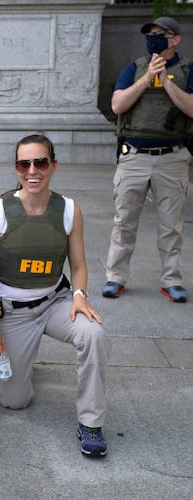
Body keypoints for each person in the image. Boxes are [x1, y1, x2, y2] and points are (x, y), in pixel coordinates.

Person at [0, 134, 111, 457]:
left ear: (53, 165)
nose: (32, 170)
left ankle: (91, 422)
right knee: (15, 401)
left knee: (94, 334)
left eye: (40, 162)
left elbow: (78, 264)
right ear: (16, 168)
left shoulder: (68, 209)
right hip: (12, 310)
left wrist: (79, 295)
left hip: (55, 302)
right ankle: (21, 361)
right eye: (25, 163)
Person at [103, 17, 192, 303]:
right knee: (124, 222)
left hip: (172, 157)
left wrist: (165, 80)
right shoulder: (135, 68)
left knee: (170, 225)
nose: (153, 38)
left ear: (175, 39)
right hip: (134, 157)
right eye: (150, 34)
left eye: (160, 34)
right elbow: (118, 105)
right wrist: (147, 77)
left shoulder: (188, 69)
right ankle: (115, 278)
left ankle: (172, 280)